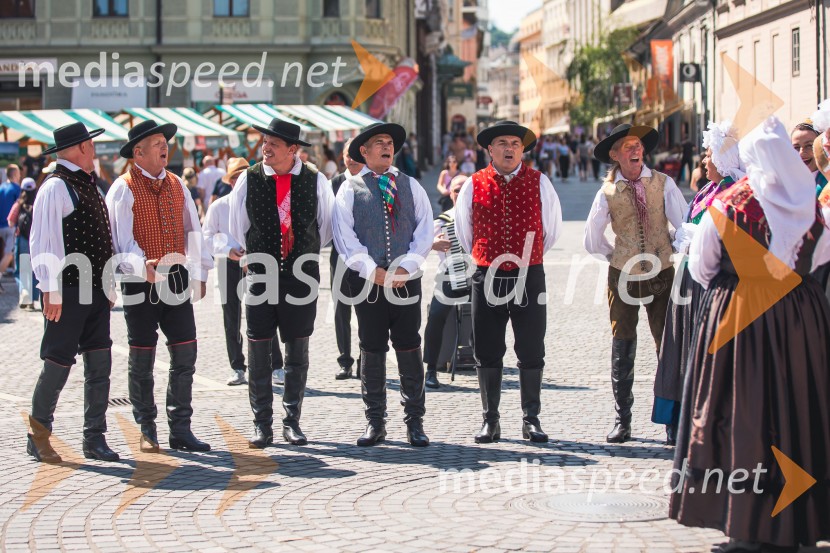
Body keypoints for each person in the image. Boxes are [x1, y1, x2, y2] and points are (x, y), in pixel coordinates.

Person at [670, 116, 830, 553]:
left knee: (742, 413)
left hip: (742, 318)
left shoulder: (730, 203)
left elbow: (702, 267)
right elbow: (819, 262)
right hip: (800, 321)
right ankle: (799, 517)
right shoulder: (809, 205)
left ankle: (746, 524)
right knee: (796, 411)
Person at [107, 119, 213, 453]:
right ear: (138, 152)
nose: (165, 146)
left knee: (185, 351)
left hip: (177, 276)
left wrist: (201, 272)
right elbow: (119, 240)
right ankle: (146, 428)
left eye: (165, 142)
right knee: (142, 355)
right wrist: (143, 265)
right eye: (156, 143)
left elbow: (192, 230)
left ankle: (180, 428)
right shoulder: (123, 187)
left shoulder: (178, 184)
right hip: (140, 280)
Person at [455, 120, 563, 444]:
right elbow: (464, 232)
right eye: (502, 143)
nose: (509, 149)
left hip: (529, 273)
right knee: (487, 348)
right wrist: (488, 254)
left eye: (515, 143)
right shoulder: (473, 184)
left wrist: (525, 256)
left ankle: (531, 419)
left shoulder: (540, 182)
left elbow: (552, 230)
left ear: (522, 149)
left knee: (531, 347)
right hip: (487, 273)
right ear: (490, 149)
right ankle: (491, 420)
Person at [228, 119, 334, 448]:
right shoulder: (249, 179)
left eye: (274, 143)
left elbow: (326, 228)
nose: (266, 148)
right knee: (258, 349)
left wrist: (302, 252)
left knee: (297, 349)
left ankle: (292, 420)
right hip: (260, 273)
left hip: (300, 275)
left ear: (293, 149)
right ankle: (262, 423)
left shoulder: (316, 181)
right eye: (265, 141)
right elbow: (238, 226)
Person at [584, 123, 688, 443]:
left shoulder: (663, 183)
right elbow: (591, 240)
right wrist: (618, 253)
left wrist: (672, 242)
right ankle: (623, 419)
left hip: (662, 273)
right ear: (615, 155)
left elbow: (684, 224)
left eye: (638, 145)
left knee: (667, 344)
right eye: (627, 147)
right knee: (623, 343)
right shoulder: (607, 192)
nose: (636, 151)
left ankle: (673, 420)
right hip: (623, 276)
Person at [332, 122, 433, 447]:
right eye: (379, 142)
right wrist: (369, 269)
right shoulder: (350, 189)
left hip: (405, 281)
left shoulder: (411, 186)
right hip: (368, 283)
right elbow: (343, 234)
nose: (386, 147)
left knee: (409, 347)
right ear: (364, 151)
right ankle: (375, 422)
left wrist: (406, 266)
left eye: (389, 143)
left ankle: (414, 421)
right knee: (371, 349)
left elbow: (424, 231)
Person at [26, 122, 119, 463]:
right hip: (66, 289)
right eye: (91, 146)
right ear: (81, 148)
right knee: (57, 362)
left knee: (100, 362)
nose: (94, 151)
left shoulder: (89, 186)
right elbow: (43, 241)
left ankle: (94, 438)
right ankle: (38, 437)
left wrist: (108, 284)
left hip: (93, 289)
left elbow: (102, 240)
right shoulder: (56, 187)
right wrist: (49, 289)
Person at [652, 121, 744, 446]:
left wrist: (695, 239)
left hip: (712, 283)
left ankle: (700, 421)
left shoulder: (735, 195)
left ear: (724, 158)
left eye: (708, 155)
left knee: (701, 348)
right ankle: (676, 418)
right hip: (688, 278)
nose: (703, 162)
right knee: (679, 348)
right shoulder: (707, 190)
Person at [202, 157, 284, 387]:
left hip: (256, 261)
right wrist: (227, 250)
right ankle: (237, 366)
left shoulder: (261, 201)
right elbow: (206, 235)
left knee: (266, 312)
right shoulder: (219, 206)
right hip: (228, 262)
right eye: (236, 177)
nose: (240, 182)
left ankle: (276, 365)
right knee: (232, 315)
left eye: (244, 177)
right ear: (230, 182)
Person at [422, 174, 469, 389]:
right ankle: (431, 369)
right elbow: (419, 241)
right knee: (436, 316)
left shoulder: (481, 216)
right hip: (449, 277)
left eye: (465, 189)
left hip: (477, 279)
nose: (460, 193)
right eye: (457, 190)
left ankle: (488, 365)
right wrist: (433, 243)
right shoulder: (443, 221)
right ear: (450, 193)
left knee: (493, 314)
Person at [330, 138, 364, 380]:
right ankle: (345, 361)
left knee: (366, 308)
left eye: (354, 155)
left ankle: (366, 358)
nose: (350, 160)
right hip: (340, 255)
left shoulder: (369, 182)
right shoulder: (334, 183)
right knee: (341, 309)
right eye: (346, 155)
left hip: (366, 256)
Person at [7, 177, 39, 308]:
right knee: (35, 270)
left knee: (22, 269)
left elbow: (10, 222)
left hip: (22, 239)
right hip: (35, 240)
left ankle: (25, 292)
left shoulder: (19, 204)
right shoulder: (38, 202)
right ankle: (32, 299)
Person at [791, 119, 827, 196]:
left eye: (809, 146)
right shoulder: (786, 184)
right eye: (796, 147)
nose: (801, 152)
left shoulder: (827, 181)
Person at [0, 164, 22, 283]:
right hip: (10, 226)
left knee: (7, 254)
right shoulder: (16, 189)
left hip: (1, 225)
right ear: (14, 174)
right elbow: (18, 207)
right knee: (9, 254)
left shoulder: (1, 187)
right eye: (18, 173)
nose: (19, 176)